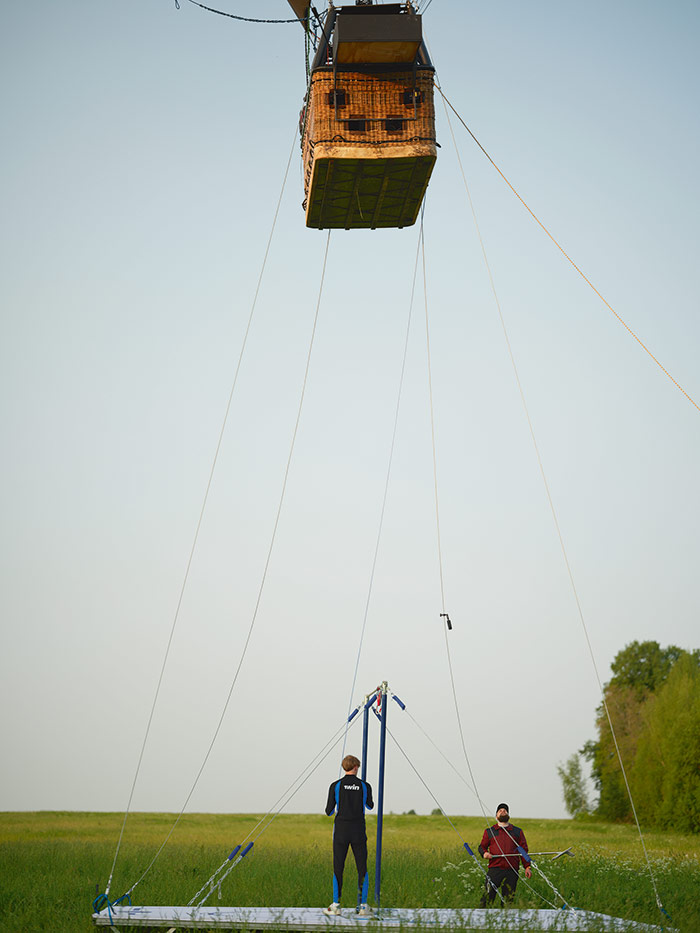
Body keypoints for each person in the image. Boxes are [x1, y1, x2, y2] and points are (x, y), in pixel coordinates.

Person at [323, 754, 374, 917]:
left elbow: (329, 811)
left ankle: (336, 905)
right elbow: (370, 806)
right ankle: (363, 906)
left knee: (338, 867)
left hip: (341, 832)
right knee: (362, 867)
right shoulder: (365, 786)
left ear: (344, 767)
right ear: (356, 767)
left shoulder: (335, 785)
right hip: (358, 830)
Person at [478, 803, 531, 907]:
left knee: (508, 900)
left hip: (512, 870)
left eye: (505, 811)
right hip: (495, 868)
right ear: (496, 816)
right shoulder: (490, 831)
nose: (503, 812)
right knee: (487, 897)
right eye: (500, 811)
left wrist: (527, 866)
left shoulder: (517, 831)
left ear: (508, 815)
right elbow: (482, 847)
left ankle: (506, 920)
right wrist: (484, 853)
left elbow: (523, 850)